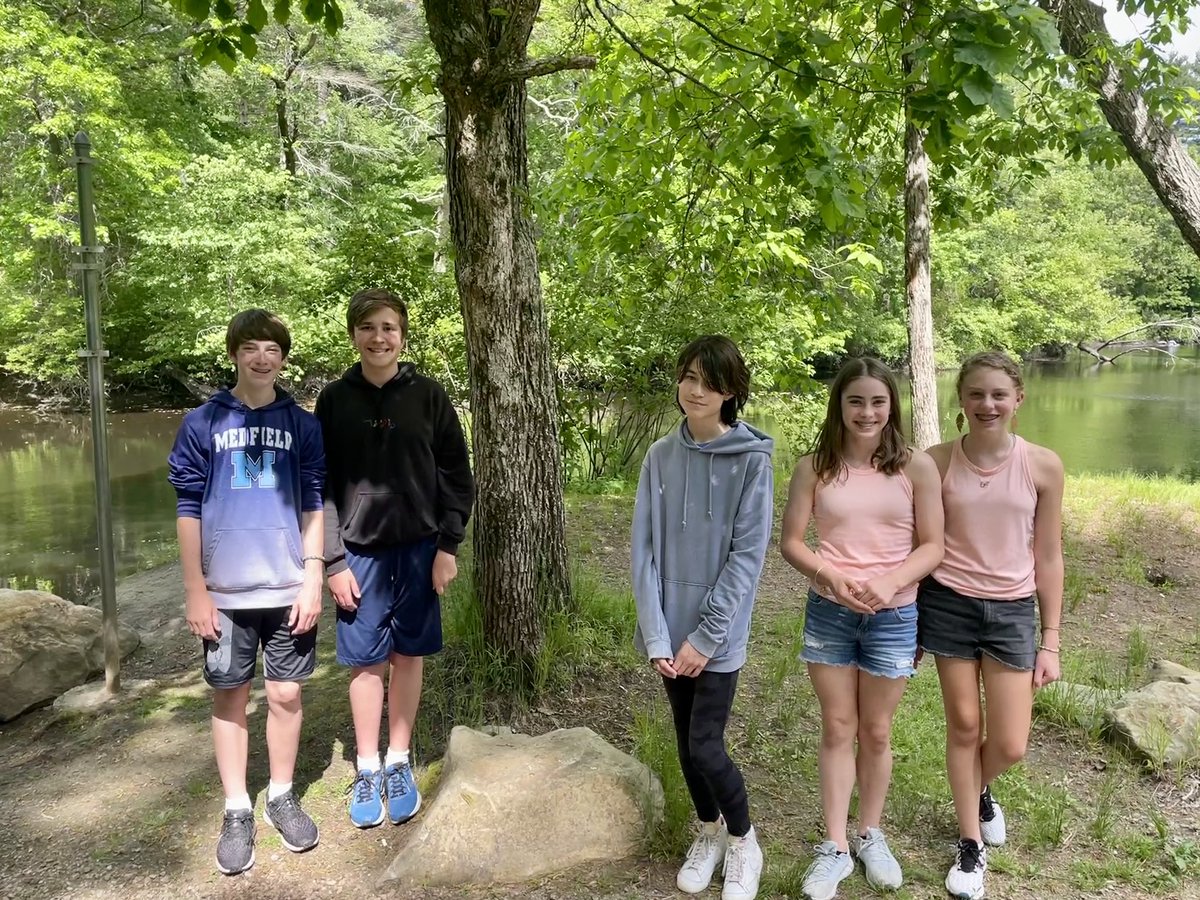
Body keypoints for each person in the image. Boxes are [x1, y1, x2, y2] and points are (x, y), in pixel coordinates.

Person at [167, 309, 326, 876]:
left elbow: (313, 501)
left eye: (273, 349)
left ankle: (282, 795)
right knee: (229, 696)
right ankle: (237, 808)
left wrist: (312, 575)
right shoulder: (202, 423)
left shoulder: (303, 426)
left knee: (286, 696)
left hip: (287, 587)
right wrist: (195, 589)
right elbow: (188, 508)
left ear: (284, 358)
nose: (263, 358)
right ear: (234, 354)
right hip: (225, 592)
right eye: (251, 348)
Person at [779, 357, 944, 900]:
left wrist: (891, 581)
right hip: (829, 612)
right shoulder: (814, 467)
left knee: (875, 731)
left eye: (877, 401)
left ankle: (870, 832)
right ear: (840, 406)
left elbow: (933, 546)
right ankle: (834, 847)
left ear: (891, 405)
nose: (867, 412)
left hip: (895, 615)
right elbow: (793, 543)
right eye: (856, 401)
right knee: (837, 727)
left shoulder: (916, 467)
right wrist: (830, 574)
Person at [315, 287, 474, 829]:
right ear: (354, 335)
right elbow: (322, 487)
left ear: (402, 335)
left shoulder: (427, 396)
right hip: (357, 554)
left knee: (409, 655)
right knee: (365, 663)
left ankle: (399, 759)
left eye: (388, 327)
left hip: (420, 548)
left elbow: (456, 473)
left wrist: (447, 547)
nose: (378, 337)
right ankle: (366, 766)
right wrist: (332, 562)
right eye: (367, 327)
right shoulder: (335, 400)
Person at [917, 351, 1063, 900]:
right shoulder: (933, 462)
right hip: (948, 604)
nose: (987, 404)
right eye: (976, 393)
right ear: (961, 399)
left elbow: (1049, 556)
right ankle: (970, 844)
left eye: (999, 394)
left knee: (1010, 742)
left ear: (1018, 398)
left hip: (1011, 612)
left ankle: (976, 790)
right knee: (963, 727)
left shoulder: (1042, 465)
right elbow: (918, 544)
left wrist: (1050, 639)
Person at [632, 335, 774, 900]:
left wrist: (707, 635)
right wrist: (658, 635)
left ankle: (743, 841)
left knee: (704, 745)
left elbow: (748, 556)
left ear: (731, 391)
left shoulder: (752, 463)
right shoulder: (660, 457)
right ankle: (708, 830)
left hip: (719, 636)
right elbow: (641, 550)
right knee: (683, 739)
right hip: (669, 632)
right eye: (688, 376)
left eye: (710, 381)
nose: (696, 390)